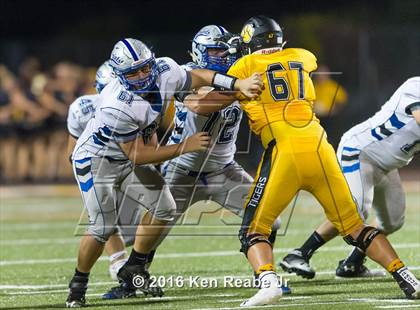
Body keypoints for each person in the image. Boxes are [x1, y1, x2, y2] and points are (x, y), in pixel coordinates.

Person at [185, 16, 419, 306]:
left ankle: (268, 282)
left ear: (250, 44)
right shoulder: (302, 57)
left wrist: (232, 88)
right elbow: (292, 66)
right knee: (355, 228)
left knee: (253, 231)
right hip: (321, 148)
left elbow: (200, 104)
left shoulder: (243, 67)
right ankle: (406, 276)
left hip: (284, 151)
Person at [65, 37, 262, 308]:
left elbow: (198, 76)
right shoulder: (117, 104)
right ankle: (78, 285)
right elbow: (137, 154)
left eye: (145, 67)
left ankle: (133, 268)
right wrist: (184, 147)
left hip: (129, 156)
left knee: (165, 207)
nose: (143, 75)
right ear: (120, 74)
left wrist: (236, 83)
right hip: (98, 160)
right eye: (133, 72)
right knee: (103, 227)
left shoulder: (164, 69)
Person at [280, 77, 420, 280]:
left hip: (388, 164)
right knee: (356, 211)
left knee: (392, 221)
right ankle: (299, 254)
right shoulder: (415, 86)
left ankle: (351, 264)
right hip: (360, 151)